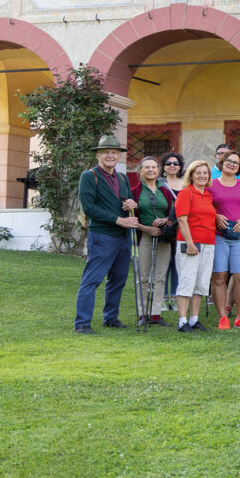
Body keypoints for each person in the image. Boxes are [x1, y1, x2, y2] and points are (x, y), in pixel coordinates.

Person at [73, 135, 139, 333]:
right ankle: (82, 324)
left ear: (118, 156)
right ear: (98, 155)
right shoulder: (89, 176)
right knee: (92, 279)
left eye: (114, 152)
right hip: (102, 235)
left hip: (123, 237)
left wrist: (131, 204)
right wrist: (120, 220)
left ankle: (110, 318)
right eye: (106, 152)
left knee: (118, 279)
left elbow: (125, 200)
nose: (110, 155)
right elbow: (89, 208)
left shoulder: (122, 177)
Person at [209, 151, 240, 330]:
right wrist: (215, 215)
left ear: (239, 167)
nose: (231, 164)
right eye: (228, 161)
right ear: (222, 162)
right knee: (219, 276)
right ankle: (223, 317)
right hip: (219, 236)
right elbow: (205, 206)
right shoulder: (211, 184)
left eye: (235, 163)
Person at [130, 156, 174, 326]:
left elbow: (173, 213)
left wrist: (165, 220)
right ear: (140, 170)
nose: (150, 170)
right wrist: (145, 228)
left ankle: (156, 313)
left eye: (154, 167)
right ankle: (143, 313)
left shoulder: (165, 190)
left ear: (158, 170)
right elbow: (131, 216)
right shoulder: (134, 191)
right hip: (145, 236)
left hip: (163, 237)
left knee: (161, 275)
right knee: (143, 276)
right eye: (146, 167)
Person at [174, 160, 217, 332]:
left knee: (201, 282)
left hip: (208, 243)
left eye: (205, 173)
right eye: (198, 173)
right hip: (190, 242)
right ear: (191, 175)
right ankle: (182, 321)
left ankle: (194, 319)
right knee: (187, 281)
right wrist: (190, 243)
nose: (202, 176)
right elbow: (182, 219)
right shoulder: (186, 193)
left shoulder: (208, 195)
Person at [161, 151, 185, 312]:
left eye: (175, 163)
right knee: (163, 264)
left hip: (181, 227)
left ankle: (175, 297)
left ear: (180, 167)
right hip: (163, 227)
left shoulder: (185, 184)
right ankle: (162, 298)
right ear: (163, 166)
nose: (172, 166)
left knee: (178, 263)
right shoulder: (158, 183)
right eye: (168, 163)